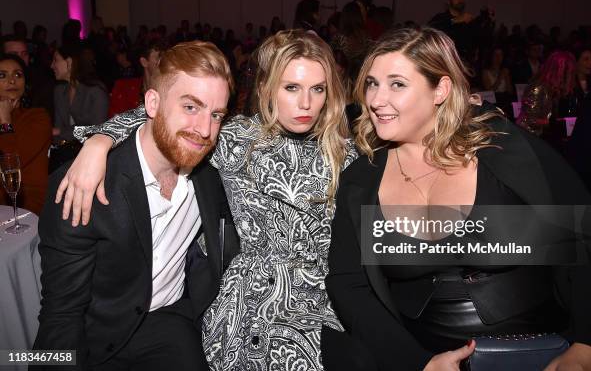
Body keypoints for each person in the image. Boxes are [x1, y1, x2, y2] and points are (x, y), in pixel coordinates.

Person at [54, 30, 358, 370]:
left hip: (317, 301)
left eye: (318, 89)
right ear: (267, 89)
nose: (306, 103)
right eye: (291, 88)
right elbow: (166, 114)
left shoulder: (345, 157)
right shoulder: (234, 140)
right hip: (248, 301)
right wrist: (100, 140)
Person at [322, 28, 591, 370]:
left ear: (440, 90)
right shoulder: (361, 180)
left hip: (537, 354)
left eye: (397, 84)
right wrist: (418, 363)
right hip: (422, 353)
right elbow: (349, 285)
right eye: (372, 83)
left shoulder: (501, 149)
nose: (376, 99)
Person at [33, 41, 240, 370]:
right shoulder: (84, 184)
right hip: (97, 338)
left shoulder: (214, 170)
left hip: (170, 320)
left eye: (216, 114)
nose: (204, 130)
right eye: (190, 107)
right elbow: (62, 315)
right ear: (153, 103)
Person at [0, 54, 51, 214]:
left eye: (18, 74)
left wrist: (5, 121)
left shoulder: (37, 117)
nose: (12, 81)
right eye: (2, 75)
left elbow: (11, 164)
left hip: (26, 207)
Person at [50, 44, 109, 172]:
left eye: (55, 60)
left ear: (69, 62)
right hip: (65, 157)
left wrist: (61, 132)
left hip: (91, 158)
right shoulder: (59, 91)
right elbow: (56, 133)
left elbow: (96, 130)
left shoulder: (95, 92)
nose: (52, 65)